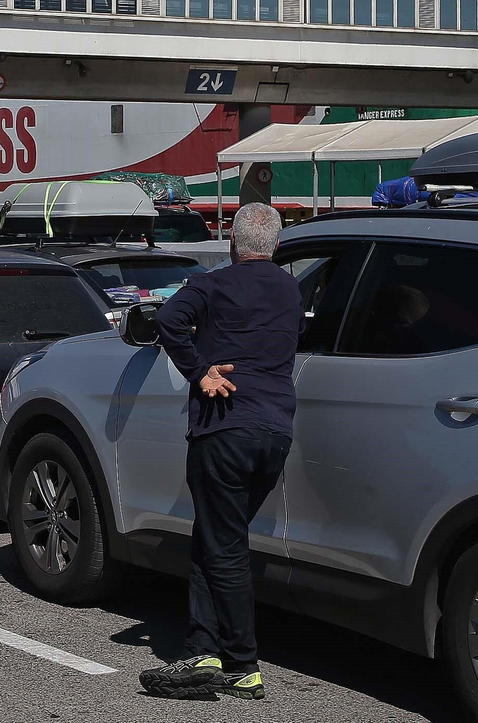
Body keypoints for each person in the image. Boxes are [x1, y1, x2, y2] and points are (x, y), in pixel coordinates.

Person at [138, 202, 301, 701]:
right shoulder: (292, 289)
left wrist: (200, 370)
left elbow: (168, 320)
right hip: (274, 432)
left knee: (224, 545)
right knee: (216, 536)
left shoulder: (214, 283)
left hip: (224, 429)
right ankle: (203, 649)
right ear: (275, 244)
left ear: (232, 241)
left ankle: (241, 663)